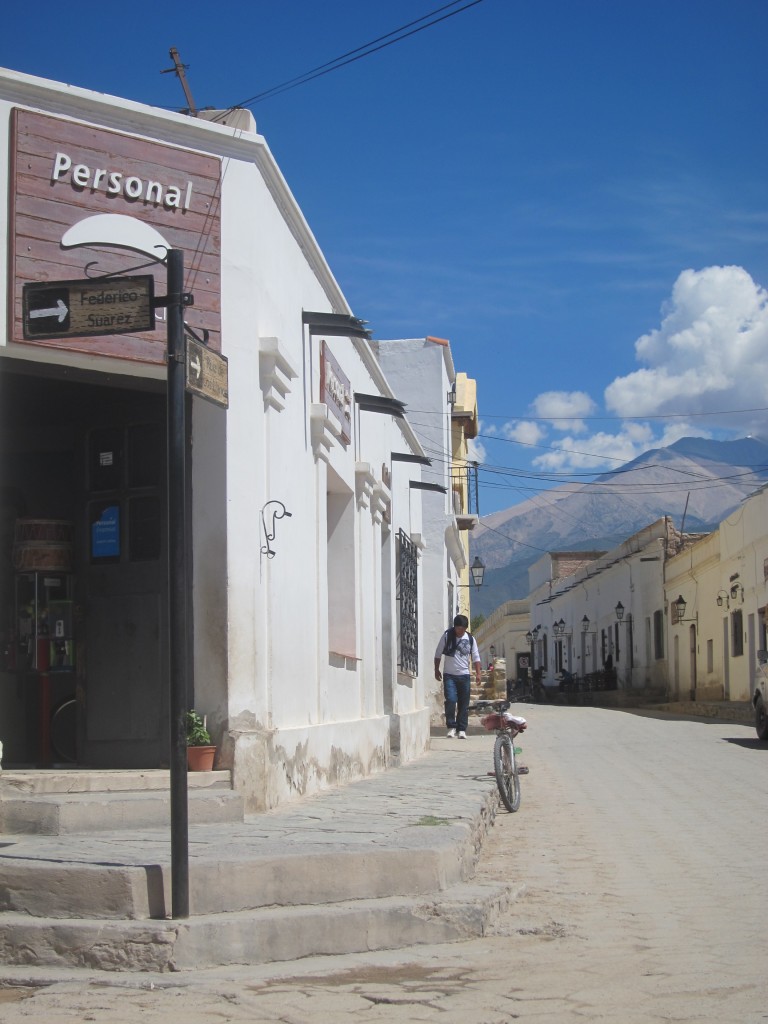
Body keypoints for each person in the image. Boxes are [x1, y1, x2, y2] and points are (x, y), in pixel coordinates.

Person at [434, 614, 482, 739]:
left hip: (464, 675)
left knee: (463, 704)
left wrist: (478, 674)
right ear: (454, 627)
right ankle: (451, 727)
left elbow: (476, 657)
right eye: (457, 628)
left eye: (462, 628)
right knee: (450, 700)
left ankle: (461, 729)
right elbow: (438, 653)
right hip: (449, 675)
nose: (459, 631)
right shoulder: (447, 636)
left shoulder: (471, 639)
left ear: (466, 628)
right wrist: (436, 669)